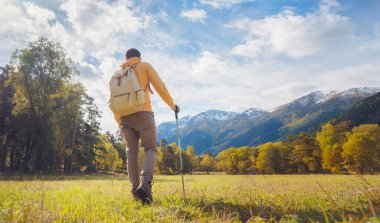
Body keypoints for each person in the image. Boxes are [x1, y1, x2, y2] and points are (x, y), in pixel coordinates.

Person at [112, 48, 179, 204]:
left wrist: (119, 123)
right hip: (143, 113)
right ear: (139, 57)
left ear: (126, 58)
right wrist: (172, 106)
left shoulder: (118, 74)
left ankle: (136, 192)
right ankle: (145, 186)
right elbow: (160, 87)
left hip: (125, 118)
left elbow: (114, 101)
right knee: (150, 149)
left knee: (131, 154)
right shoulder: (144, 66)